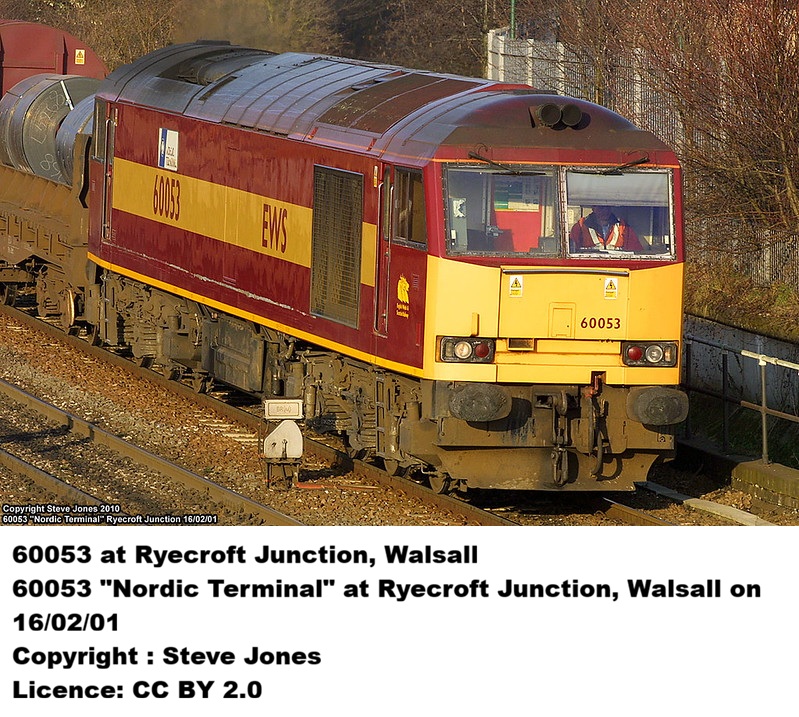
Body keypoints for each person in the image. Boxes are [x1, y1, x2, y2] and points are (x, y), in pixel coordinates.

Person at [569, 206, 642, 252]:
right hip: (591, 267)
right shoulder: (580, 226)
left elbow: (636, 251)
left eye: (607, 207)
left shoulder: (622, 226)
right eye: (601, 207)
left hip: (617, 267)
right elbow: (571, 251)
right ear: (593, 208)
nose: (605, 211)